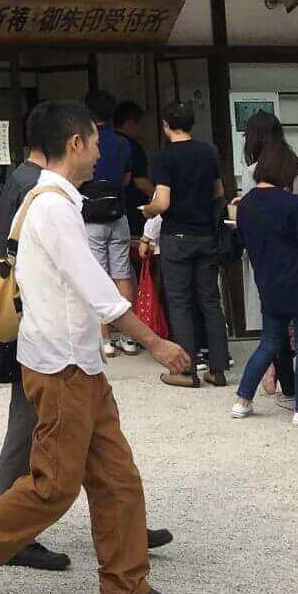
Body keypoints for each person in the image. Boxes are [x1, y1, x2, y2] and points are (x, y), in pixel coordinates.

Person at [0, 99, 191, 594]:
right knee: (54, 486)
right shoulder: (53, 207)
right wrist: (158, 344)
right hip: (60, 365)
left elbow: (10, 260)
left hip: (80, 363)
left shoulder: (47, 200)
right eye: (95, 142)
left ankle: (126, 587)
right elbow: (100, 291)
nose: (101, 152)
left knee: (117, 479)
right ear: (74, 143)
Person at [227, 132, 298, 428]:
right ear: (285, 171)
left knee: (269, 342)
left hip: (268, 282)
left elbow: (244, 241)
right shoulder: (293, 205)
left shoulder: (244, 205)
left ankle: (242, 400)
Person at [145, 101, 231, 388]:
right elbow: (218, 192)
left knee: (180, 302)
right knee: (209, 300)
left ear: (166, 125)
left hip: (177, 236)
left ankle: (186, 370)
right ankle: (218, 368)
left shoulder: (165, 157)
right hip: (206, 234)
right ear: (192, 124)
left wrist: (148, 210)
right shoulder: (208, 152)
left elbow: (163, 202)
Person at [83, 90, 140, 357]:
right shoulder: (122, 143)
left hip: (92, 217)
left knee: (98, 275)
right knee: (122, 274)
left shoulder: (83, 142)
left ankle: (104, 337)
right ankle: (129, 337)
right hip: (119, 213)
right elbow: (128, 180)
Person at [114, 100, 154, 238]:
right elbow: (140, 181)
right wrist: (157, 197)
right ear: (130, 123)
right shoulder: (132, 146)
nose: (141, 129)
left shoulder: (104, 142)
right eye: (140, 124)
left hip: (111, 206)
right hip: (133, 208)